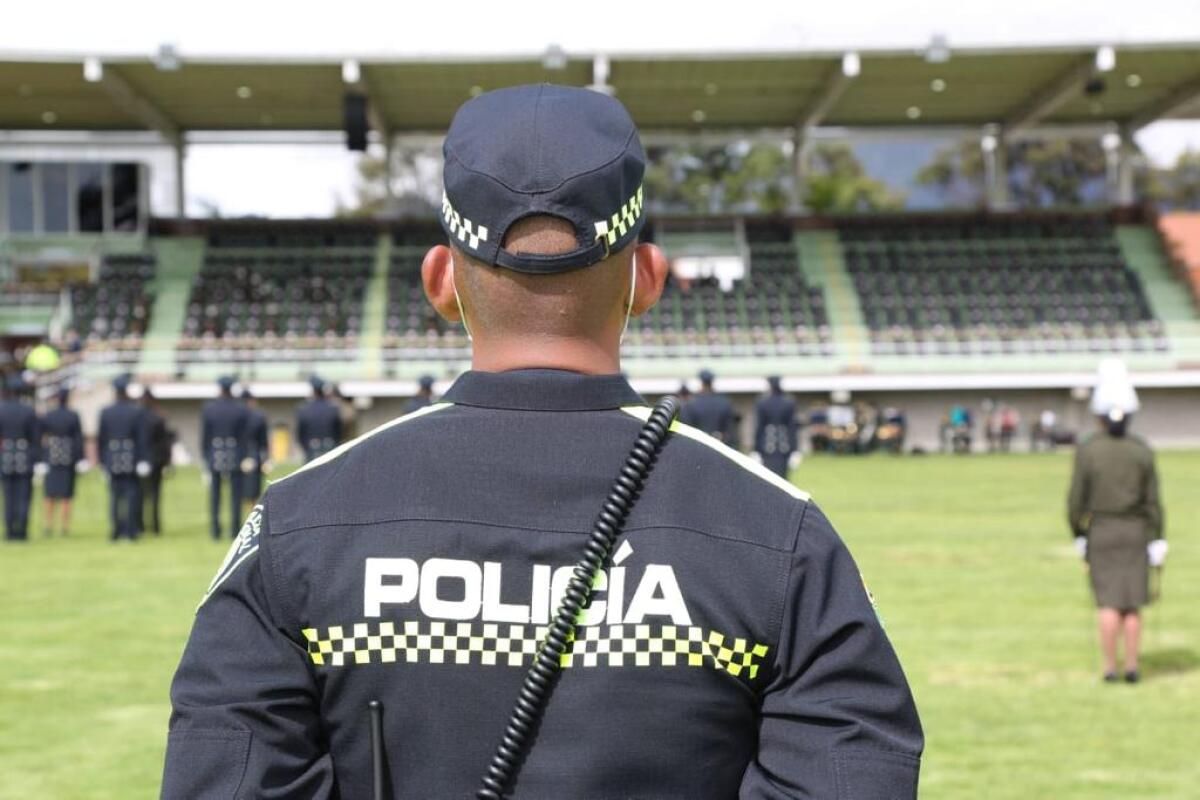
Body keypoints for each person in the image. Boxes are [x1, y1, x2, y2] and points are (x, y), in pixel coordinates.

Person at [163, 84, 921, 799]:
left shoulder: (298, 519)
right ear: (648, 279)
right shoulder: (782, 533)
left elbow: (222, 773)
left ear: (440, 282)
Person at [1069, 360, 1166, 684]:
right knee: (1132, 603)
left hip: (1102, 532)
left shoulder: (1089, 450)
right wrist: (1158, 538)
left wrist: (1079, 533)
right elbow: (1153, 500)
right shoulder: (1141, 450)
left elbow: (1075, 500)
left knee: (1108, 603)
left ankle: (1111, 667)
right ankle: (1133, 667)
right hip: (1136, 532)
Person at [98, 374, 149, 541]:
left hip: (112, 457)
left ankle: (116, 530)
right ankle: (131, 530)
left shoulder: (106, 412)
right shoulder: (136, 411)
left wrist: (102, 462)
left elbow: (102, 440)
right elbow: (141, 438)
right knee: (132, 495)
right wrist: (142, 459)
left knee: (115, 497)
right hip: (131, 456)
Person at [201, 376, 249, 540]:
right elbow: (243, 437)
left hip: (215, 452)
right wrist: (244, 456)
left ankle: (215, 530)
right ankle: (235, 529)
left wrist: (205, 458)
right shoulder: (240, 409)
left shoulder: (209, 409)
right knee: (235, 495)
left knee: (215, 496)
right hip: (235, 452)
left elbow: (205, 437)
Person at [39, 386, 85, 536]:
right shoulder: (73, 415)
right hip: (68, 457)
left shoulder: (49, 415)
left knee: (49, 493)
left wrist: (41, 457)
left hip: (52, 455)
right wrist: (80, 458)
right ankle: (64, 526)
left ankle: (48, 524)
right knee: (66, 494)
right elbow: (78, 438)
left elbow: (40, 434)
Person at [1, 375, 39, 542]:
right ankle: (21, 531)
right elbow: (35, 438)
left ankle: (10, 530)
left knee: (9, 496)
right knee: (24, 496)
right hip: (24, 455)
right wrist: (36, 459)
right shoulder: (28, 410)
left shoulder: (1, 409)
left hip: (6, 455)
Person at [141, 388, 172, 536]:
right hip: (157, 459)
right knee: (155, 494)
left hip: (142, 460)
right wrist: (167, 462)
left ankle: (140, 525)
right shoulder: (158, 417)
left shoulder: (138, 416)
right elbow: (165, 442)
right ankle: (155, 526)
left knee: (141, 495)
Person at [752, 375, 798, 477]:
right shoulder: (789, 402)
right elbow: (792, 428)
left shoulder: (762, 403)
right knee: (783, 479)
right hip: (784, 448)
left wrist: (756, 449)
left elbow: (759, 428)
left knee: (768, 478)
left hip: (767, 447)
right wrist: (794, 449)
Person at [679, 368, 734, 442]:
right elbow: (728, 431)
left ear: (701, 382)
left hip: (698, 446)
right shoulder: (724, 403)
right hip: (719, 446)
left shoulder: (691, 404)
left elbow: (687, 429)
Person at [295, 376, 341, 462]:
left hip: (311, 450)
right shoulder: (333, 409)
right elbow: (338, 433)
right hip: (330, 449)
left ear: (313, 391)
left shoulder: (304, 410)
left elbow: (300, 435)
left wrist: (307, 448)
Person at [239, 387, 269, 509]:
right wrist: (266, 458)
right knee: (254, 490)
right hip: (254, 453)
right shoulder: (258, 416)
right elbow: (263, 441)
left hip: (239, 454)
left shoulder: (237, 416)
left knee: (240, 489)